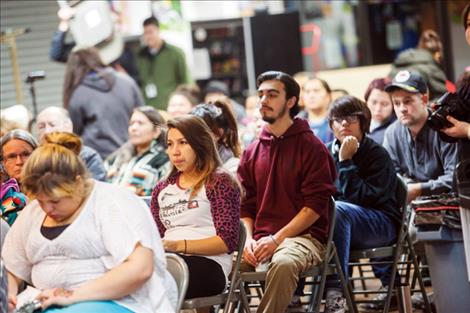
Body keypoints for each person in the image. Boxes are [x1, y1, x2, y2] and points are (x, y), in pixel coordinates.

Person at [3, 132, 177, 313]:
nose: (47, 209)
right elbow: (13, 267)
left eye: (55, 201)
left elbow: (140, 268)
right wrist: (9, 294)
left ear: (78, 183)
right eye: (40, 201)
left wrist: (73, 296)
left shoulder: (113, 202)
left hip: (123, 302)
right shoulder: (32, 213)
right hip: (48, 302)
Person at [237, 71, 336, 313]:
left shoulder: (312, 147)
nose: (263, 100)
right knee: (221, 263)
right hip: (259, 239)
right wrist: (248, 240)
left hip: (306, 238)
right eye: (260, 95)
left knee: (282, 263)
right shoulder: (251, 151)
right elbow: (245, 206)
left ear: (291, 102)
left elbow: (314, 208)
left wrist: (276, 239)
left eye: (272, 95)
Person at [323, 96, 401, 313]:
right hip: (342, 224)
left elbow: (365, 200)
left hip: (382, 223)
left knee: (338, 210)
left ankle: (336, 292)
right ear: (331, 125)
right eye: (338, 119)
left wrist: (346, 163)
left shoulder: (376, 154)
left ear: (363, 121)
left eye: (350, 118)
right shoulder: (326, 152)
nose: (344, 124)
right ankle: (297, 291)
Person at [150, 115, 240, 300]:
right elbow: (156, 236)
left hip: (210, 264)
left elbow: (227, 241)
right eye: (169, 144)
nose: (175, 151)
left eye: (183, 143)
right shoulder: (162, 188)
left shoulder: (218, 182)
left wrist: (179, 245)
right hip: (169, 261)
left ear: (200, 144)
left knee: (150, 281)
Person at [383, 70, 458, 203]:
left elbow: (454, 177)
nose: (402, 109)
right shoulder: (392, 133)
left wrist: (420, 189)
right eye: (397, 103)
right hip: (408, 208)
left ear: (424, 99)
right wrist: (408, 187)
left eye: (407, 101)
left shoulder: (446, 127)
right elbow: (389, 175)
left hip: (447, 206)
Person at [64, 47, 144, 159]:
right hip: (132, 155)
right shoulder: (127, 81)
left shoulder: (77, 94)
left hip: (97, 159)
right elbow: (144, 115)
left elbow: (75, 132)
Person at [49, 4, 140, 84]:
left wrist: (126, 79)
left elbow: (137, 80)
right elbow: (56, 54)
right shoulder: (83, 48)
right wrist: (64, 24)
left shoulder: (123, 49)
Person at [105, 106, 170, 197]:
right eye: (131, 123)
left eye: (140, 123)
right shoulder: (117, 157)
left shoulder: (164, 161)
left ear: (156, 132)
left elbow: (164, 197)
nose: (134, 128)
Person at [36, 106, 106, 181]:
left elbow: (96, 189)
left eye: (52, 125)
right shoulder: (35, 160)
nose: (47, 131)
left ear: (69, 126)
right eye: (41, 127)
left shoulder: (88, 157)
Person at [137, 16, 192, 110]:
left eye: (150, 32)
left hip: (171, 108)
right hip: (149, 108)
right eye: (145, 33)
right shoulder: (140, 56)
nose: (148, 36)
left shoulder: (176, 53)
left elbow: (186, 82)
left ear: (158, 31)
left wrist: (185, 106)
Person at [389, 29, 448, 101]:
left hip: (397, 109)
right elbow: (445, 97)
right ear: (437, 54)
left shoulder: (398, 64)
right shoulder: (431, 69)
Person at [190, 101, 241, 175]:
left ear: (217, 134)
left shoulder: (232, 168)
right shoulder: (190, 162)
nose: (190, 138)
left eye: (197, 132)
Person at [297, 77, 335, 144]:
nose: (311, 95)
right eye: (307, 92)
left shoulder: (337, 122)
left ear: (328, 95)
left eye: (316, 91)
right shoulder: (295, 123)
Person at [364, 77, 396, 144]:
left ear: (393, 106)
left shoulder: (395, 131)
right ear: (366, 101)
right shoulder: (358, 122)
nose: (378, 109)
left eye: (384, 104)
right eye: (374, 102)